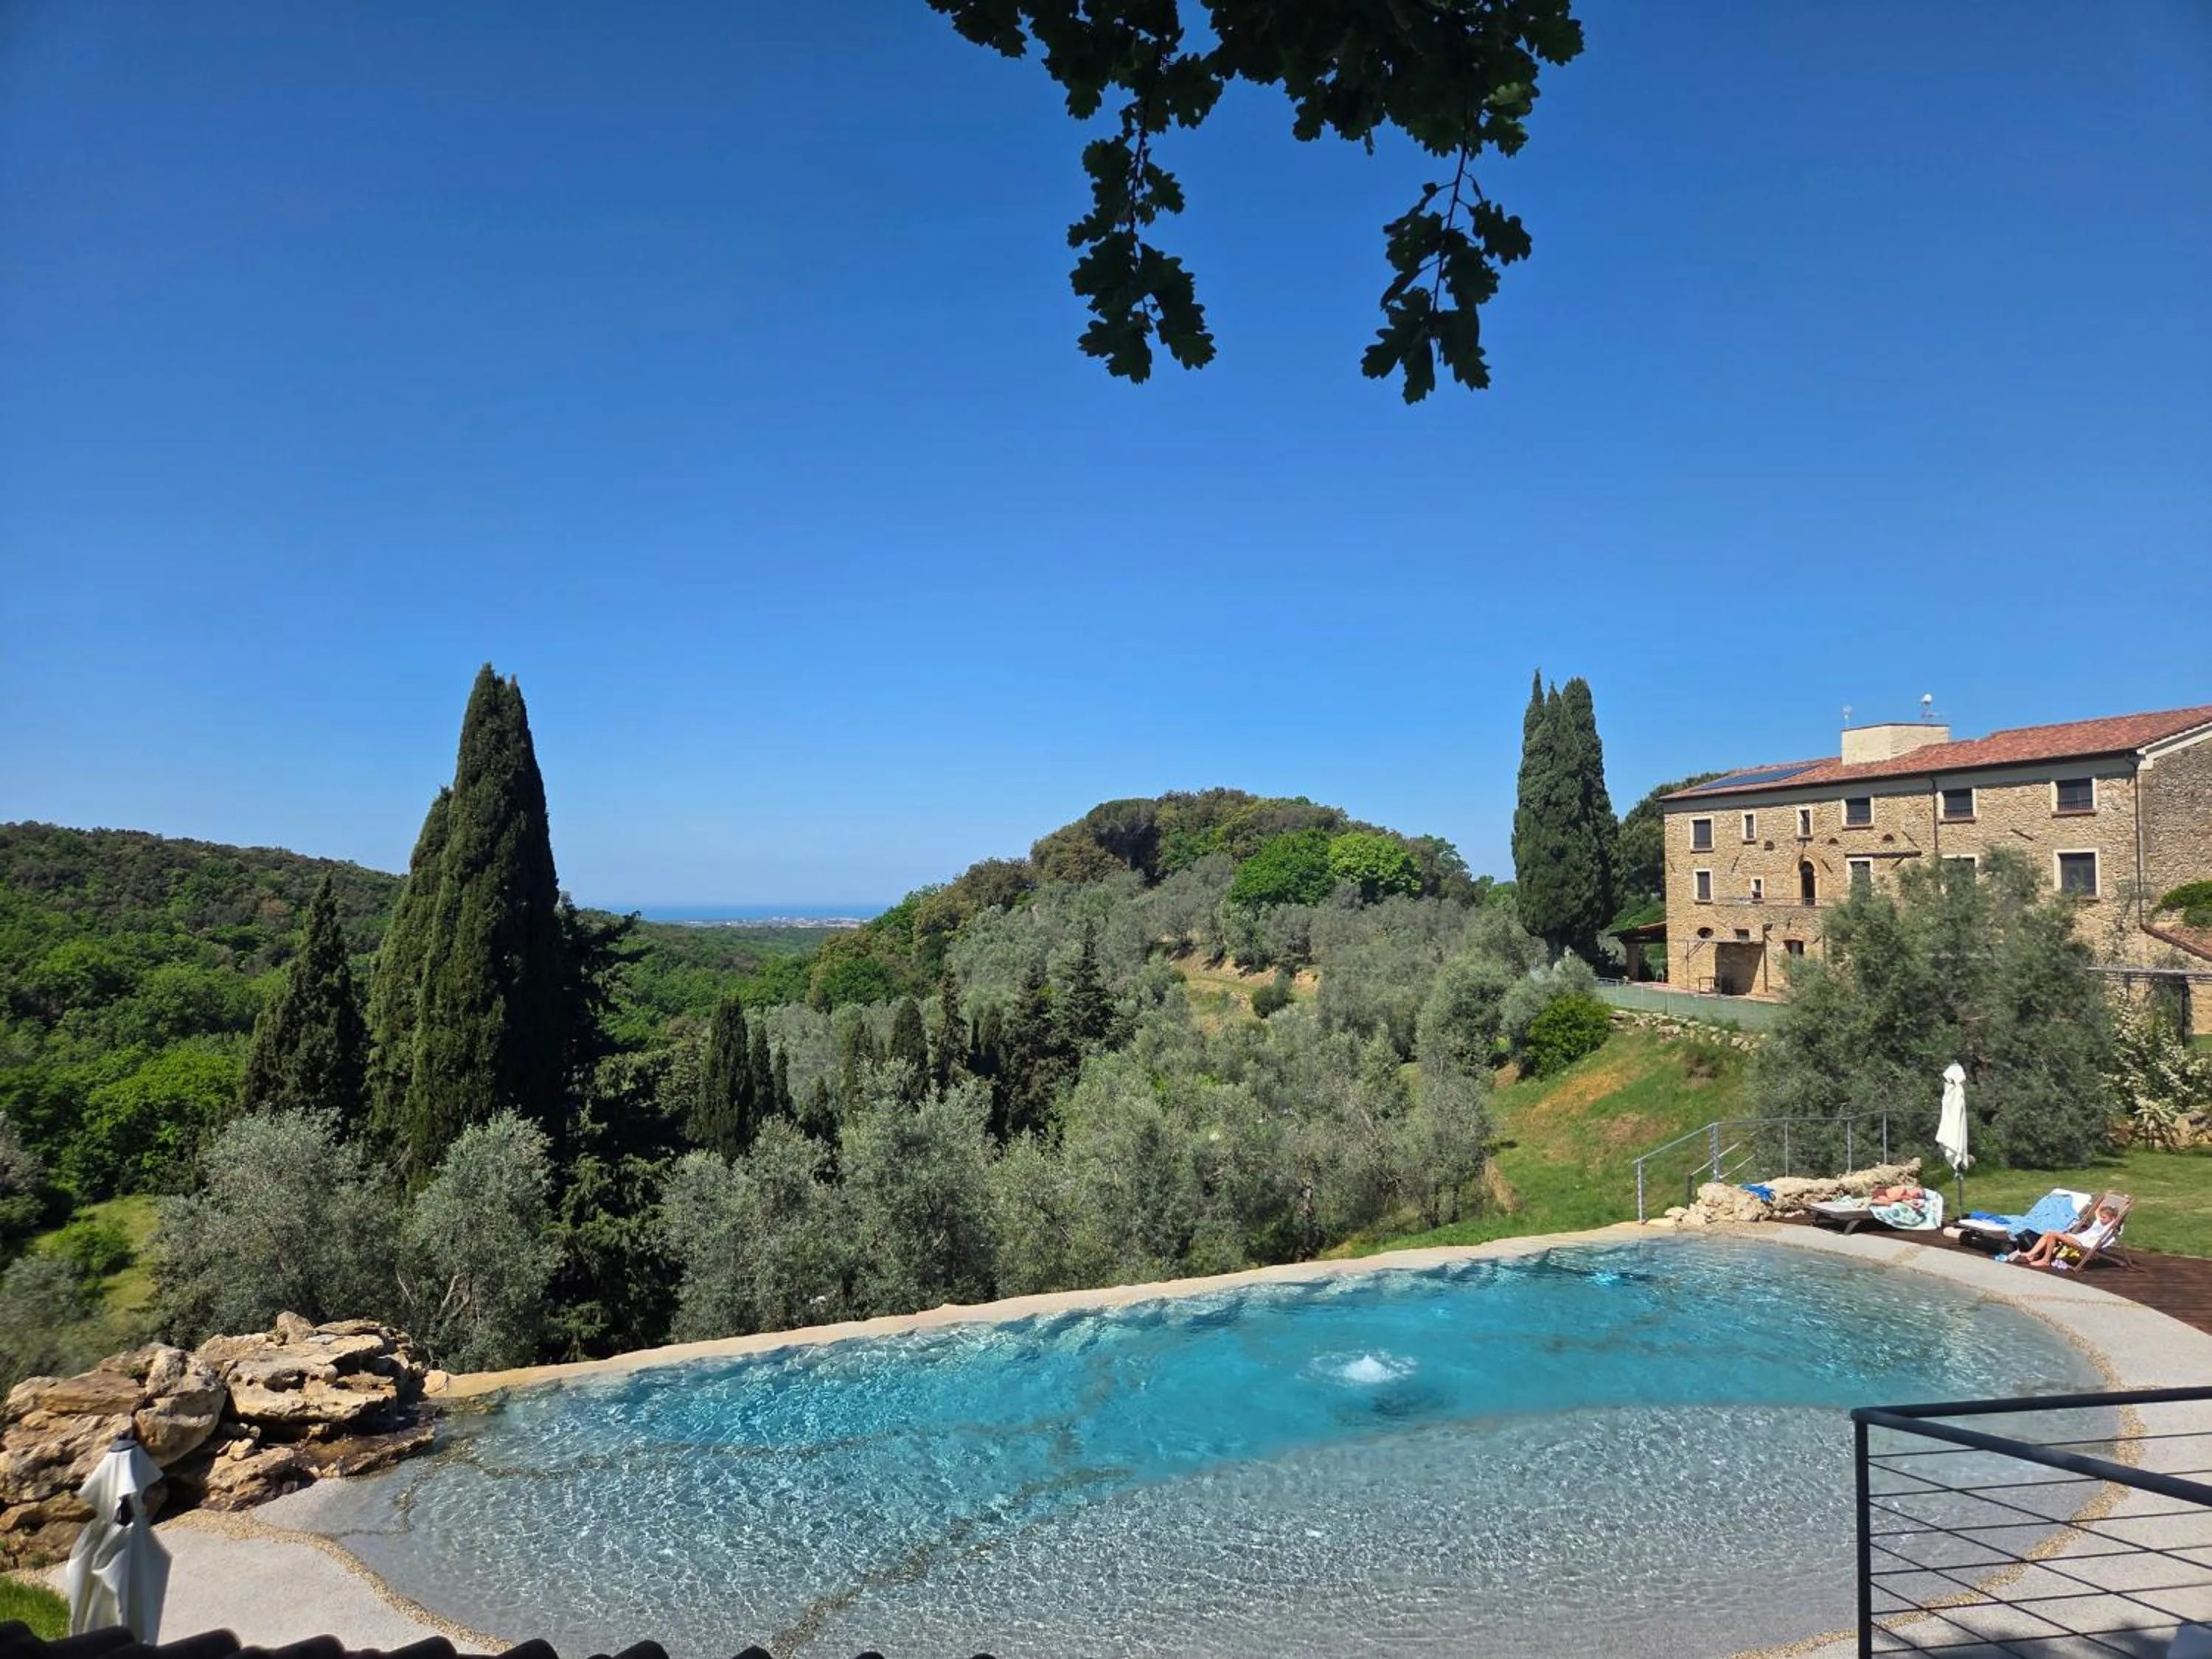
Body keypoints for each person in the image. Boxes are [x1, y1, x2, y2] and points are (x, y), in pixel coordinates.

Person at [2006, 1203, 2121, 1269]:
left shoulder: (2111, 1226)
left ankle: (2045, 1260)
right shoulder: (2100, 1221)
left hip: (2084, 1244)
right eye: (2101, 1217)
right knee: (2050, 1233)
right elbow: (2097, 1211)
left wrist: (2123, 1210)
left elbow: (2118, 1220)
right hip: (2078, 1238)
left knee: (2053, 1234)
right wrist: (2103, 1202)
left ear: (2112, 1218)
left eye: (2104, 1218)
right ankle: (2031, 1255)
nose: (2101, 1219)